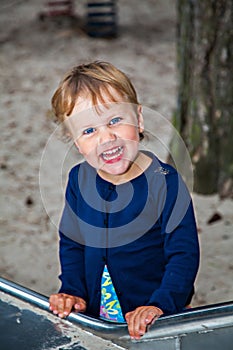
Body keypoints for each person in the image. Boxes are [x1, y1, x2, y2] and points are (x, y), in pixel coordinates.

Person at [49, 61, 200, 340]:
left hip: (156, 319)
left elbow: (183, 254)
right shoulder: (79, 179)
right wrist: (72, 290)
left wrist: (161, 304)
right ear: (74, 141)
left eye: (115, 121)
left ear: (139, 119)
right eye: (88, 131)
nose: (106, 137)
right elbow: (73, 241)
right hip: (98, 315)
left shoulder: (166, 182)